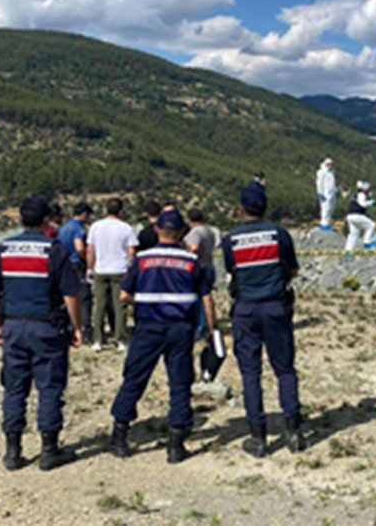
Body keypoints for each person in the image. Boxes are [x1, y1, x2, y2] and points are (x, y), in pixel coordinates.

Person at [0, 196, 84, 472]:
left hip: (14, 326)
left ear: (20, 219)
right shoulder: (54, 250)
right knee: (50, 387)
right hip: (47, 327)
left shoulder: (3, 249)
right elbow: (70, 294)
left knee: (14, 388)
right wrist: (77, 327)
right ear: (46, 220)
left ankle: (13, 451)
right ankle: (49, 450)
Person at [108, 210, 214, 464]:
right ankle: (176, 445)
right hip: (180, 329)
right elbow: (206, 297)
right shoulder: (191, 261)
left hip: (148, 327)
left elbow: (124, 295)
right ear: (180, 233)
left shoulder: (143, 260)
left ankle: (120, 437)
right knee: (179, 382)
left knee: (134, 378)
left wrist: (146, 300)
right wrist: (211, 329)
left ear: (157, 230)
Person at [222, 184, 306, 457]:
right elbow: (292, 269)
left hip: (246, 309)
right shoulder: (278, 234)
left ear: (241, 209)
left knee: (250, 373)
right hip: (275, 307)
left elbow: (231, 272)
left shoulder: (231, 239)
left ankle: (258, 438)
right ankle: (293, 431)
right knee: (284, 369)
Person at [86, 198, 138, 351]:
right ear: (121, 211)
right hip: (120, 269)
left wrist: (90, 267)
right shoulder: (126, 228)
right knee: (119, 306)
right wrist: (130, 266)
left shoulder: (96, 227)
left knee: (99, 306)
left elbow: (90, 249)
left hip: (101, 269)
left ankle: (98, 340)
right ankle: (120, 339)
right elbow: (131, 250)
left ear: (105, 210)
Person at [58, 202, 94, 344]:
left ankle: (67, 326)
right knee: (84, 298)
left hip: (64, 264)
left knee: (66, 297)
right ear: (84, 214)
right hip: (76, 265)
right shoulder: (78, 228)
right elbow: (79, 247)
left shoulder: (64, 228)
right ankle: (84, 329)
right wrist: (88, 259)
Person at [183, 208, 216, 339]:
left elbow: (194, 248)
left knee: (198, 300)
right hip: (209, 264)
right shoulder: (209, 231)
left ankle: (199, 329)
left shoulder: (195, 232)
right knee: (206, 297)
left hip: (199, 267)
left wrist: (190, 261)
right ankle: (209, 325)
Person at [346, 181, 376, 252]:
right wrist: (370, 203)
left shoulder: (354, 194)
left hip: (350, 216)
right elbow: (362, 204)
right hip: (357, 215)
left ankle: (348, 250)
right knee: (372, 225)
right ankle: (367, 243)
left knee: (353, 234)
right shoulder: (361, 194)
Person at [315, 158, 338, 233]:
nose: (329, 165)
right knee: (325, 208)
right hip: (325, 193)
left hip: (331, 193)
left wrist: (335, 191)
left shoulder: (331, 172)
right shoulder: (321, 172)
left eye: (330, 164)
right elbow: (319, 182)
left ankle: (328, 223)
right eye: (328, 164)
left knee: (331, 208)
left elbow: (333, 183)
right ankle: (323, 224)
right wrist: (319, 191)